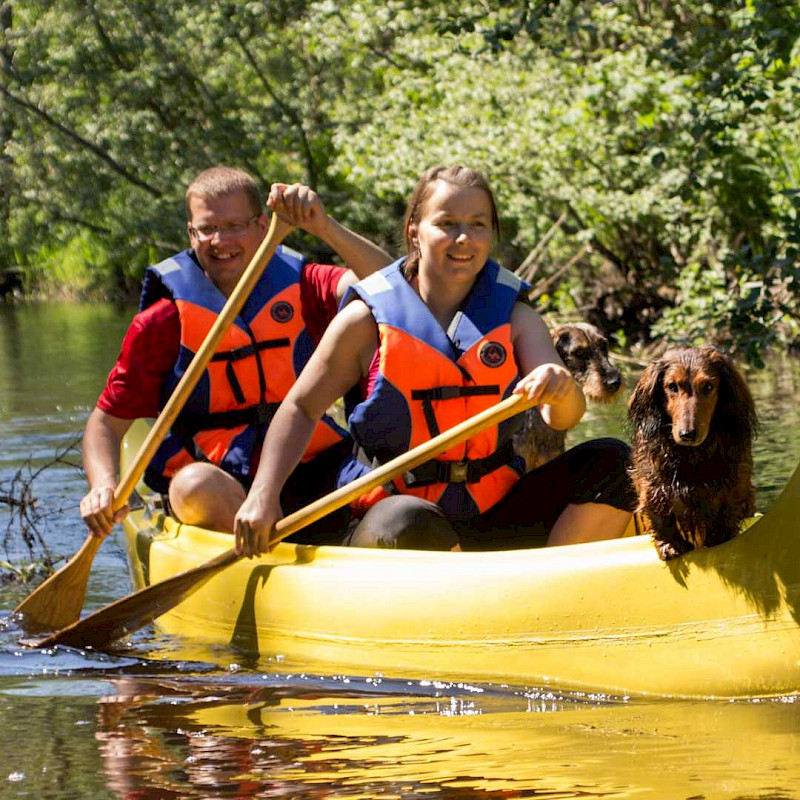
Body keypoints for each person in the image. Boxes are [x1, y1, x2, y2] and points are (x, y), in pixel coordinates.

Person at [233, 165, 635, 557]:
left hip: (492, 508)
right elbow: (301, 408)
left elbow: (562, 417)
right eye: (447, 223)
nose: (464, 238)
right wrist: (262, 496)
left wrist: (560, 388)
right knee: (407, 520)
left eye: (478, 224)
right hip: (393, 511)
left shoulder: (516, 316)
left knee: (616, 461)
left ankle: (550, 589)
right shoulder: (365, 320)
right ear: (415, 232)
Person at [80, 165, 392, 543]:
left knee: (396, 504)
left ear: (262, 227)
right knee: (193, 484)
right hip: (219, 477)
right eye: (206, 228)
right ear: (190, 233)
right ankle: (271, 549)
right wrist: (103, 485)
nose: (219, 240)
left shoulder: (305, 286)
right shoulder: (161, 323)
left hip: (310, 461)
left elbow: (391, 288)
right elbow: (106, 424)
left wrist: (325, 227)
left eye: (233, 226)